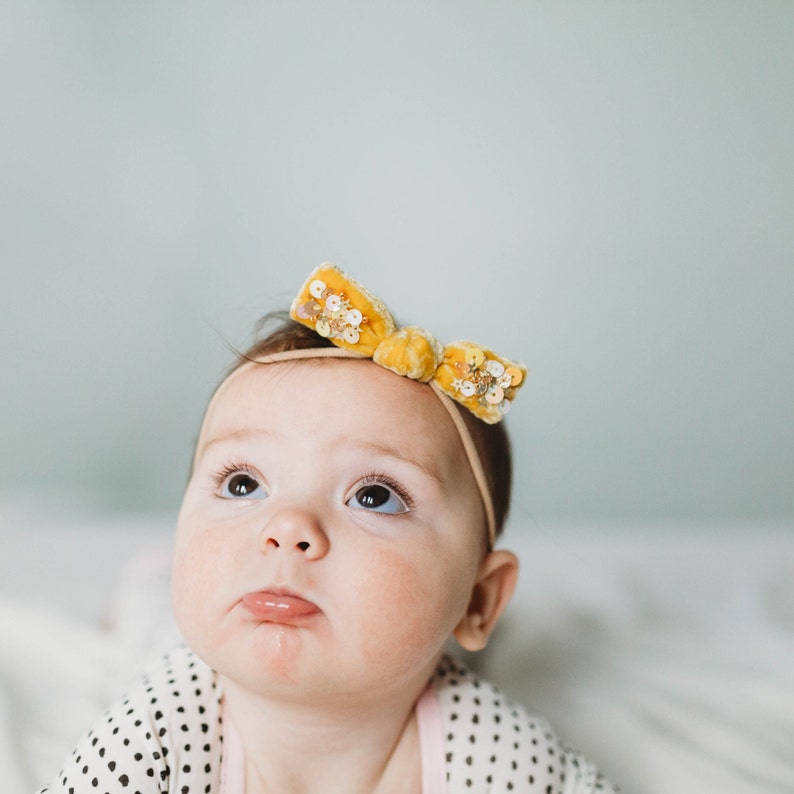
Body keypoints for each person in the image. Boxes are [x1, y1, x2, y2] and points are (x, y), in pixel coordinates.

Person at [38, 265, 619, 793]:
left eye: (374, 496)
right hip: (167, 646)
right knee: (152, 621)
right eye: (244, 484)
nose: (288, 525)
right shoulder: (155, 737)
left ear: (478, 599)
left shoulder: (498, 752)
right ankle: (147, 586)